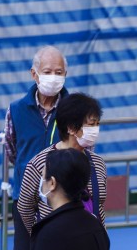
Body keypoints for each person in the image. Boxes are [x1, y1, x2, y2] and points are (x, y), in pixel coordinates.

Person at [4, 45, 69, 250]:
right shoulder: (17, 109)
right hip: (26, 202)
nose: (53, 78)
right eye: (47, 72)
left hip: (64, 201)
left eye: (59, 72)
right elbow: (12, 148)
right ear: (34, 74)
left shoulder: (73, 108)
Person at [17, 93, 107, 234]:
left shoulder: (98, 163)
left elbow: (100, 207)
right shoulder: (40, 163)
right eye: (90, 125)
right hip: (55, 243)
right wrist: (41, 235)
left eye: (97, 124)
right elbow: (25, 207)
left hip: (91, 242)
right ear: (71, 128)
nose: (95, 129)